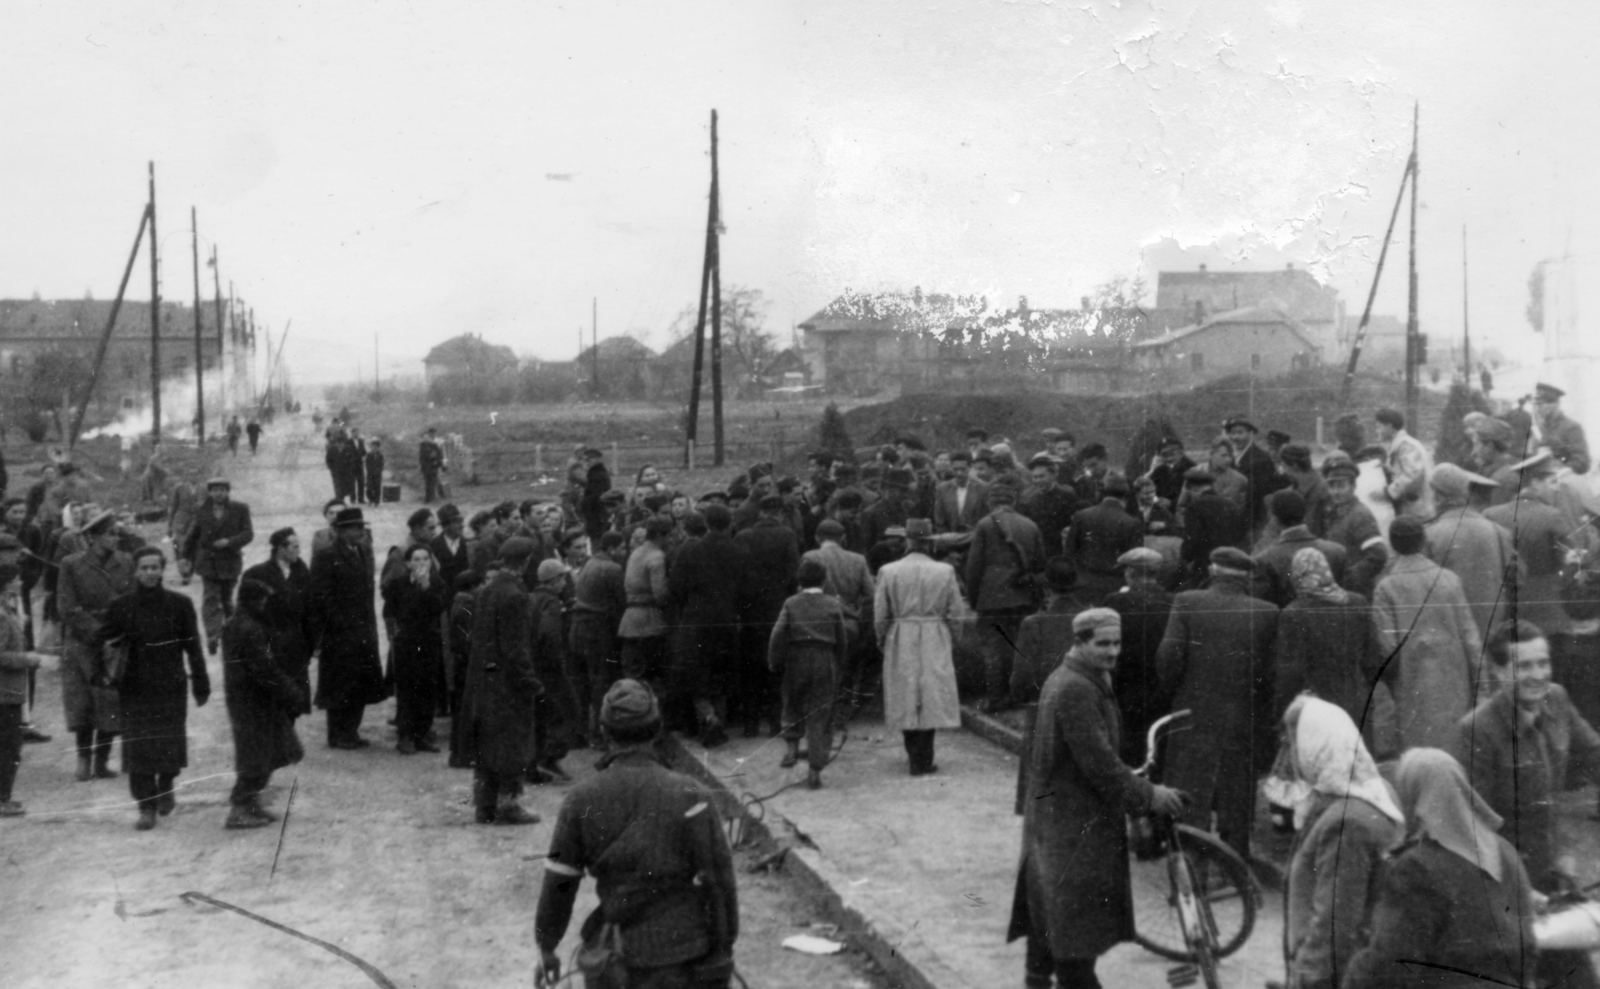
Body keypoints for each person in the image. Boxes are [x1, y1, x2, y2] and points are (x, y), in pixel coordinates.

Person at [1007, 607, 1185, 989]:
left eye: (1117, 643)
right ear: (1079, 642)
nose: (1112, 652)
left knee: (1048, 909)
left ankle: (1036, 981)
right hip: (1071, 824)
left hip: (1060, 818)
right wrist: (1149, 794)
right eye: (1103, 643)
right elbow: (1099, 762)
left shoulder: (1083, 677)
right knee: (1074, 930)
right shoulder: (1076, 687)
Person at [533, 679, 738, 989]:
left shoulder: (580, 800)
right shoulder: (692, 794)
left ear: (604, 732)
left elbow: (559, 884)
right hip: (686, 955)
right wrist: (723, 946)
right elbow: (722, 881)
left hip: (617, 961)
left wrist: (547, 947)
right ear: (657, 729)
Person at [1342, 748, 1538, 989]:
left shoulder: (1417, 867)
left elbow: (1392, 964)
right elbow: (1529, 946)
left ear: (1411, 794)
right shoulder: (1505, 851)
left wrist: (1352, 974)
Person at [1156, 546, 1280, 861]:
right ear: (1248, 577)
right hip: (1242, 713)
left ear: (1212, 571)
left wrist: (1176, 693)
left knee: (1189, 782)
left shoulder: (1186, 602)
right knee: (1237, 788)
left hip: (1191, 710)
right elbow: (1270, 673)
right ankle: (1234, 861)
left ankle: (1189, 862)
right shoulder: (1267, 612)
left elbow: (1168, 657)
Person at [1275, 695, 1404, 989]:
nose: (1290, 756)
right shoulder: (1374, 791)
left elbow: (1335, 927)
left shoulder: (1346, 824)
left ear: (1316, 745)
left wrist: (1307, 978)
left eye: (1292, 743)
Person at [98, 547, 208, 830]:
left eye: (155, 567)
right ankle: (146, 806)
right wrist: (103, 671)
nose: (149, 573)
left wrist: (200, 680)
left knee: (169, 742)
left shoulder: (180, 604)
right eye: (144, 568)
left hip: (170, 684)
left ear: (162, 570)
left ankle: (167, 782)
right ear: (135, 571)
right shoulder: (121, 606)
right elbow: (104, 642)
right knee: (138, 748)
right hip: (134, 687)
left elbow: (193, 646)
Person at [1372, 516, 1483, 751]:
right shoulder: (1449, 580)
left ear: (1392, 544)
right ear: (1423, 541)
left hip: (1412, 687)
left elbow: (1388, 649)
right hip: (1454, 684)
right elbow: (1471, 638)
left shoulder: (1386, 587)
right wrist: (1482, 688)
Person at [458, 537, 542, 825]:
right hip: (508, 684)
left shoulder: (487, 591)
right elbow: (516, 647)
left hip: (484, 680)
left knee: (487, 742)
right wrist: (529, 681)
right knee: (512, 743)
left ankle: (485, 806)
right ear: (527, 561)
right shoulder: (516, 596)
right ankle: (509, 804)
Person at [874, 518, 966, 776]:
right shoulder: (944, 571)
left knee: (905, 690)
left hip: (901, 632)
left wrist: (882, 638)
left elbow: (881, 612)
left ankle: (914, 753)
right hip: (934, 633)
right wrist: (953, 639)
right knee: (930, 692)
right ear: (929, 542)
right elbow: (956, 612)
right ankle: (924, 756)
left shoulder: (889, 571)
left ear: (908, 541)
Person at [1009, 559, 1095, 813]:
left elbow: (1022, 677)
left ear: (1048, 589)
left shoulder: (1034, 624)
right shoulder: (1089, 620)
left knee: (1041, 787)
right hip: (1085, 706)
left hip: (1043, 707)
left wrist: (1021, 697)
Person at [221, 578, 305, 829]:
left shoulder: (236, 624)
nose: (267, 605)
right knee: (256, 754)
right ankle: (239, 808)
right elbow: (265, 669)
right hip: (254, 700)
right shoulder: (250, 629)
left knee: (267, 751)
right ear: (255, 601)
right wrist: (292, 693)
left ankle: (251, 803)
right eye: (264, 600)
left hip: (246, 698)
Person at [57, 511, 134, 781]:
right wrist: (96, 632)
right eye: (109, 533)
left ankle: (102, 761)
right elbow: (67, 607)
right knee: (82, 701)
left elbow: (131, 600)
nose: (115, 538)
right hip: (82, 641)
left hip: (115, 642)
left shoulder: (125, 562)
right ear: (93, 537)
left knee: (110, 699)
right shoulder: (71, 564)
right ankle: (83, 758)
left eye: (117, 533)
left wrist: (116, 632)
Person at [667, 505, 746, 748]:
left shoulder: (691, 549)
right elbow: (744, 588)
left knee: (695, 673)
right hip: (727, 619)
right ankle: (718, 723)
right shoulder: (737, 550)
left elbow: (675, 587)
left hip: (697, 619)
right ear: (730, 523)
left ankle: (709, 717)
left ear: (707, 523)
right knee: (720, 673)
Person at [1272, 547, 1376, 729]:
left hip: (1316, 710)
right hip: (1357, 702)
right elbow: (1372, 660)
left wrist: (1281, 713)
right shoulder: (1357, 602)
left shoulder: (1294, 613)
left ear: (1297, 575)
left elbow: (1290, 674)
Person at [310, 507, 387, 750]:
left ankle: (351, 730)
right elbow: (322, 596)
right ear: (341, 531)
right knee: (340, 682)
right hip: (339, 632)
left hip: (363, 627)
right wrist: (340, 623)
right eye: (356, 527)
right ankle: (337, 733)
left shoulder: (363, 550)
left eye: (362, 527)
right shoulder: (326, 555)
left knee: (360, 680)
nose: (361, 531)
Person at [767, 559, 847, 789]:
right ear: (824, 580)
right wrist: (839, 666)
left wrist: (774, 661)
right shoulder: (832, 604)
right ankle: (814, 769)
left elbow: (778, 633)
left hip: (796, 658)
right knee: (821, 714)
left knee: (792, 702)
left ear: (799, 581)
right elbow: (842, 639)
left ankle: (791, 749)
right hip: (824, 659)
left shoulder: (791, 603)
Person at [966, 482, 1046, 712]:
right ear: (1014, 501)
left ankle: (996, 698)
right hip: (1023, 597)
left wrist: (974, 599)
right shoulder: (1030, 525)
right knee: (1018, 648)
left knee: (993, 649)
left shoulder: (984, 524)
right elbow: (1040, 565)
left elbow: (974, 567)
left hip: (992, 598)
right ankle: (1018, 695)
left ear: (991, 502)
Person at [1422, 462, 1517, 639]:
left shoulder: (1429, 535)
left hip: (1449, 634)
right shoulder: (1498, 531)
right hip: (1492, 631)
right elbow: (1517, 577)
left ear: (1438, 496)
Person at [734, 495, 799, 736]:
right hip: (777, 610)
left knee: (750, 668)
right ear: (780, 513)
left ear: (760, 512)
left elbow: (737, 577)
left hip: (750, 612)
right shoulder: (787, 535)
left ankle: (750, 725)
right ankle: (775, 723)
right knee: (775, 666)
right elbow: (794, 575)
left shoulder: (743, 536)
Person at [1103, 548, 1174, 765]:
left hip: (1124, 683)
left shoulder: (1115, 601)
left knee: (1124, 747)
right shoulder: (1173, 601)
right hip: (1158, 685)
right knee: (1154, 746)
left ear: (1131, 573)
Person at [801, 518, 874, 724]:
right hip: (849, 623)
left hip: (818, 624)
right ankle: (840, 714)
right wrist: (856, 612)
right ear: (843, 538)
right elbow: (870, 593)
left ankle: (819, 715)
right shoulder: (858, 559)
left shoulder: (810, 556)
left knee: (819, 671)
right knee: (846, 668)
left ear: (817, 537)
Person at [240, 529, 316, 723]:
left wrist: (313, 642)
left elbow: (309, 607)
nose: (299, 551)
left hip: (296, 644)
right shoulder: (257, 573)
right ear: (280, 549)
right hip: (270, 643)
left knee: (295, 699)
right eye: (295, 546)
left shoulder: (301, 570)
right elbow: (246, 610)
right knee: (273, 697)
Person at [385, 545, 449, 754]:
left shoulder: (437, 583)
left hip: (429, 642)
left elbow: (438, 607)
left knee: (427, 689)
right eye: (417, 559)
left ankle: (422, 734)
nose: (422, 563)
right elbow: (389, 612)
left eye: (425, 559)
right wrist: (393, 636)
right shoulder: (398, 584)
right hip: (405, 644)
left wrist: (426, 587)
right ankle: (405, 736)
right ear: (408, 563)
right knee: (406, 690)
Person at [179, 477, 255, 655]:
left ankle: (232, 633)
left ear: (228, 491)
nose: (218, 493)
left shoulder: (240, 509)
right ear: (210, 492)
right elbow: (192, 535)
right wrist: (184, 556)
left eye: (222, 489)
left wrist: (229, 541)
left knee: (227, 599)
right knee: (210, 597)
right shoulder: (201, 510)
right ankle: (213, 635)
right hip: (208, 561)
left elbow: (248, 534)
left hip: (230, 561)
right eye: (215, 490)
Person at [570, 531, 627, 748]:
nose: (624, 552)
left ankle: (581, 732)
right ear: (611, 549)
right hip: (597, 631)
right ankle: (600, 734)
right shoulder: (612, 568)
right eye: (622, 548)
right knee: (601, 681)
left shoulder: (590, 563)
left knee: (584, 682)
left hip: (579, 629)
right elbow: (622, 601)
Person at [529, 558, 582, 780]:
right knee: (569, 712)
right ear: (555, 581)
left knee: (541, 717)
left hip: (534, 667)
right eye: (563, 579)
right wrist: (556, 661)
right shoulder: (551, 602)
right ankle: (549, 757)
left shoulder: (533, 598)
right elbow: (548, 634)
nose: (565, 583)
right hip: (550, 669)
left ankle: (537, 759)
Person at [1250, 489, 1347, 609]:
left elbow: (1261, 607)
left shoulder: (1264, 559)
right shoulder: (1338, 551)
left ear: (1273, 517)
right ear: (1304, 514)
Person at [0, 563, 44, 816]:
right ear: (6, 583)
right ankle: (2, 799)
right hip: (5, 693)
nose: (20, 582)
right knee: (8, 747)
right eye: (16, 579)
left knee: (10, 746)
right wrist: (28, 659)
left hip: (9, 691)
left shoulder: (7, 610)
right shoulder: (2, 615)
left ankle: (4, 796)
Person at [617, 515, 674, 702]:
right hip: (651, 623)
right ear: (660, 535)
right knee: (657, 678)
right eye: (668, 536)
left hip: (630, 622)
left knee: (633, 678)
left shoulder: (636, 552)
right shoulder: (657, 556)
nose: (670, 540)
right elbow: (660, 594)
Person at [1375, 407, 1434, 520]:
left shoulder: (1406, 445)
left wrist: (1388, 492)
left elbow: (1413, 476)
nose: (1376, 430)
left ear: (1390, 426)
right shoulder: (1401, 444)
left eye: (1379, 426)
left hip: (1419, 510)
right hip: (1414, 508)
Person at [1020, 453, 1078, 559]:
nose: (1038, 481)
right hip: (1036, 549)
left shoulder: (1066, 494)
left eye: (1042, 476)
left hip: (1058, 550)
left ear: (1053, 475)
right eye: (1035, 477)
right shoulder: (1027, 496)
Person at [1532, 381, 1590, 474]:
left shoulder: (1571, 427)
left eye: (1541, 404)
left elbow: (1583, 463)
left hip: (1565, 482)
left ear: (1555, 404)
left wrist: (1561, 467)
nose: (1537, 409)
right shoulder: (1543, 427)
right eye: (1535, 404)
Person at [934, 449, 989, 534]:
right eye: (955, 469)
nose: (959, 473)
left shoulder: (982, 488)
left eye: (963, 469)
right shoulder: (942, 489)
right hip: (950, 541)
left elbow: (986, 518)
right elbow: (940, 520)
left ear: (970, 467)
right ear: (951, 467)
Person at [418, 427, 445, 503]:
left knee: (432, 482)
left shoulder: (434, 444)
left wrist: (438, 462)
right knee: (430, 483)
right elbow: (422, 457)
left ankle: (433, 497)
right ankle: (431, 498)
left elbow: (439, 454)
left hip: (431, 466)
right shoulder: (424, 446)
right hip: (429, 467)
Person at [363, 439, 385, 505]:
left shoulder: (380, 455)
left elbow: (381, 465)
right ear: (371, 447)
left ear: (378, 447)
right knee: (369, 488)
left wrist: (378, 471)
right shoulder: (369, 455)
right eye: (373, 446)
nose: (374, 448)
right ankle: (371, 499)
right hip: (370, 474)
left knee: (377, 488)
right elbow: (367, 464)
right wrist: (371, 471)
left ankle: (376, 501)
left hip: (378, 474)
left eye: (376, 447)